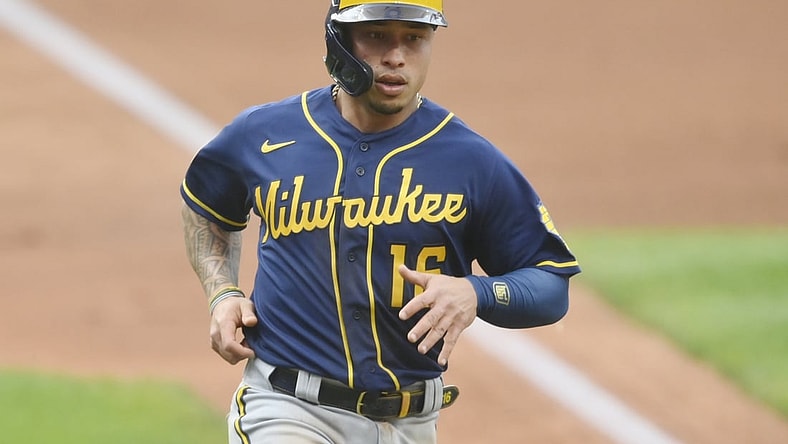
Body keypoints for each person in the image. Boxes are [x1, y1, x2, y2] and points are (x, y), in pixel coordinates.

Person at [180, 1, 581, 442]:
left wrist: (476, 291)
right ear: (338, 42)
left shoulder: (471, 161)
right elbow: (206, 206)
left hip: (411, 426)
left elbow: (550, 285)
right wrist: (223, 293)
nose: (396, 56)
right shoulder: (265, 133)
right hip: (288, 410)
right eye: (377, 36)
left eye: (413, 38)